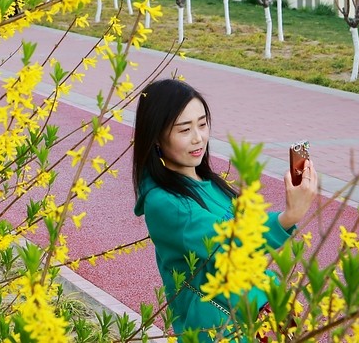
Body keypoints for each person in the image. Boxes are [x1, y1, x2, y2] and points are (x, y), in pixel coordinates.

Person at [132, 79, 318, 342]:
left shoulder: (207, 182)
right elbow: (229, 243)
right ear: (156, 137)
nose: (198, 138)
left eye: (202, 124)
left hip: (251, 315)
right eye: (184, 130)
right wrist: (289, 217)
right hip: (218, 330)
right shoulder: (164, 202)